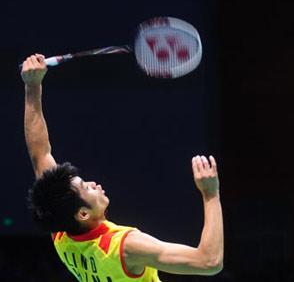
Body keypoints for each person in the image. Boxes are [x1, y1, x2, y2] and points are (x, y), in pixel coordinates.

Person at [21, 54, 224, 282]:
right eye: (86, 188)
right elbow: (209, 262)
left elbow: (40, 154)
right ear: (83, 213)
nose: (93, 184)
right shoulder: (125, 246)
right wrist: (210, 194)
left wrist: (33, 86)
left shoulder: (61, 230)